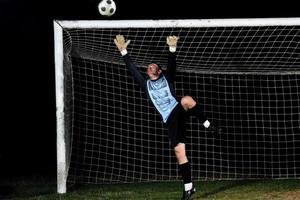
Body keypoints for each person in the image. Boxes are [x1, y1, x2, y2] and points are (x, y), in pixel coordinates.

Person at [114, 34, 221, 200]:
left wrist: (172, 49)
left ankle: (209, 125)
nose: (149, 67)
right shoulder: (145, 84)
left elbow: (172, 67)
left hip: (178, 108)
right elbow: (132, 70)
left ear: (159, 71)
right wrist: (124, 52)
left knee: (187, 99)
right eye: (148, 67)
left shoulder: (167, 78)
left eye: (153, 66)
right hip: (169, 119)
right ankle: (189, 187)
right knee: (179, 152)